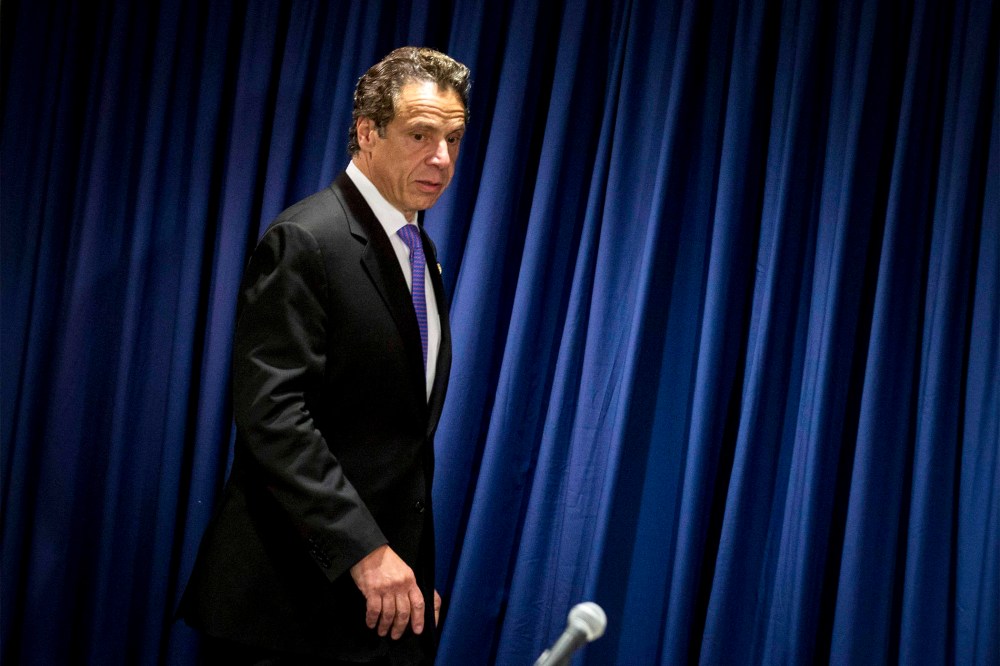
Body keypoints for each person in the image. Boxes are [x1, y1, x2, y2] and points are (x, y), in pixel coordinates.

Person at [179, 46, 470, 665]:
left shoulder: (419, 249)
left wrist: (409, 567)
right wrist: (367, 552)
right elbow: (274, 418)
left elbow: (392, 439)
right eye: (421, 134)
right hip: (288, 608)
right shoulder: (308, 238)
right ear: (367, 133)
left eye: (453, 138)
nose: (441, 158)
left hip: (378, 601)